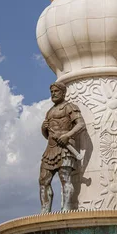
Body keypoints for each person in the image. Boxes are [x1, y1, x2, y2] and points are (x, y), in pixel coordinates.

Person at [39, 82, 86, 213]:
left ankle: (66, 208)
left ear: (63, 93)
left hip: (65, 148)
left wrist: (67, 135)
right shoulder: (49, 111)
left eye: (56, 91)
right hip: (50, 149)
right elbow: (47, 135)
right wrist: (43, 128)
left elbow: (81, 124)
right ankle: (45, 210)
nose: (53, 94)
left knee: (65, 178)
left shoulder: (69, 107)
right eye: (52, 92)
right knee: (43, 180)